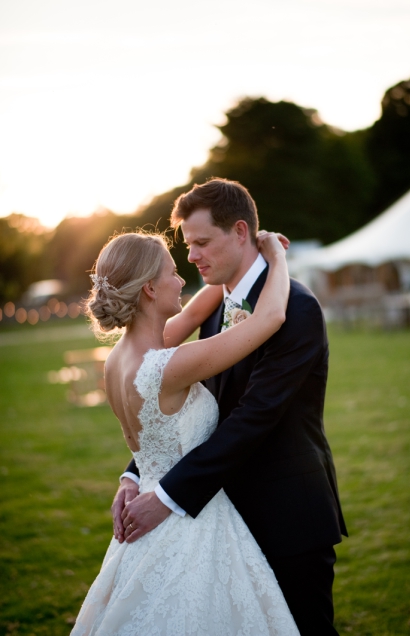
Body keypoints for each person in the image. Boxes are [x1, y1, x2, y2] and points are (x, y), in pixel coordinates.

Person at [105, 178, 345, 634]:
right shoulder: (217, 303)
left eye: (200, 242)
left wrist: (169, 495)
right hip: (218, 519)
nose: (191, 257)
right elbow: (179, 408)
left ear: (239, 232)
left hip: (285, 513)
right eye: (187, 246)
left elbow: (252, 419)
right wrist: (136, 472)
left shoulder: (296, 308)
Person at [73, 228, 298, 633]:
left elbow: (194, 313)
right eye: (173, 273)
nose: (182, 280)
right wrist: (276, 257)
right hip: (189, 526)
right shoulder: (168, 367)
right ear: (148, 290)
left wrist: (238, 258)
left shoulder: (116, 361)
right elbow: (270, 317)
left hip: (145, 509)